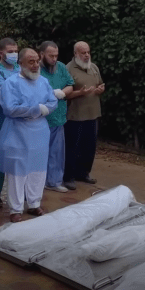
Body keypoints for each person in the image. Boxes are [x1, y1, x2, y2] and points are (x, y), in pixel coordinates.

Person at [0, 48, 58, 222]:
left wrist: (45, 109)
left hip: (39, 133)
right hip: (17, 133)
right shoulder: (11, 83)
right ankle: (16, 208)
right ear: (20, 63)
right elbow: (10, 108)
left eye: (37, 61)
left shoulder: (43, 81)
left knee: (38, 169)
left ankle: (34, 204)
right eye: (31, 62)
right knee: (17, 172)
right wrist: (36, 109)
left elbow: (52, 101)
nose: (36, 65)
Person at [63, 41, 105, 190]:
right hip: (75, 116)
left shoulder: (93, 67)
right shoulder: (68, 69)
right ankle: (68, 176)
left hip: (92, 113)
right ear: (76, 54)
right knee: (72, 147)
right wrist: (79, 93)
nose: (87, 55)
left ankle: (83, 173)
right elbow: (64, 94)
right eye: (83, 53)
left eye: (88, 52)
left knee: (89, 147)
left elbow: (101, 83)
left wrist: (101, 88)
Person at [0, 38, 20, 208]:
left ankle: (18, 193)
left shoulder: (20, 69)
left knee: (17, 154)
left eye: (16, 51)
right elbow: (5, 93)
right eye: (11, 51)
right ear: (1, 53)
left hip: (19, 119)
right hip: (0, 117)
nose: (14, 54)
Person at [39, 41, 74, 193]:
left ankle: (54, 181)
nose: (54, 59)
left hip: (58, 117)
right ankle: (38, 182)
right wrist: (50, 94)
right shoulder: (37, 69)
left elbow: (71, 84)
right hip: (41, 119)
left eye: (56, 55)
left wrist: (63, 92)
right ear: (42, 55)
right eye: (50, 55)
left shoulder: (61, 67)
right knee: (40, 152)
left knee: (57, 151)